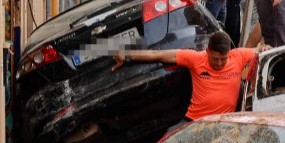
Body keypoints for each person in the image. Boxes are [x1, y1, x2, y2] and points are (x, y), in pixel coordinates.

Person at [112, 31, 266, 129]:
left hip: (223, 125)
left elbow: (263, 51)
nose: (219, 63)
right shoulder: (195, 58)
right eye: (215, 59)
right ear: (207, 51)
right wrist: (126, 55)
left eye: (223, 59)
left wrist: (266, 48)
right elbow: (157, 54)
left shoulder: (237, 56)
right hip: (193, 122)